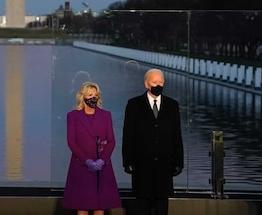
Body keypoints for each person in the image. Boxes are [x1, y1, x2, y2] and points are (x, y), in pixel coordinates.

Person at [122, 68, 184, 215]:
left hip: (165, 165)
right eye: (155, 82)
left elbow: (177, 136)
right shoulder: (134, 104)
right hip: (141, 166)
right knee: (142, 207)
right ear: (146, 84)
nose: (159, 85)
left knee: (162, 208)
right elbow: (128, 135)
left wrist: (178, 163)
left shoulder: (172, 105)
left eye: (161, 82)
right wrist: (128, 161)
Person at [61, 81, 122, 215]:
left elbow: (111, 141)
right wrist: (87, 161)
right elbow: (71, 141)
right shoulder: (73, 116)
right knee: (82, 205)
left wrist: (102, 161)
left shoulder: (106, 115)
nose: (93, 98)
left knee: (99, 206)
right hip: (81, 165)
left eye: (95, 95)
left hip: (102, 165)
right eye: (89, 95)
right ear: (82, 97)